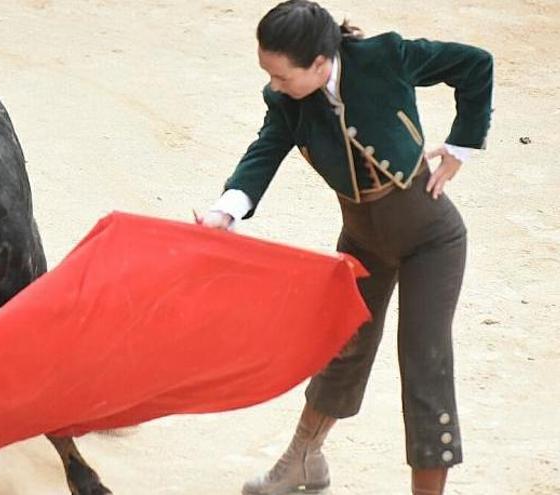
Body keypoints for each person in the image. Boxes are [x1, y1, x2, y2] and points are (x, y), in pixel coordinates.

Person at [198, 1, 493, 494]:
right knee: (342, 346)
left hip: (430, 241)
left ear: (319, 63)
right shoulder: (290, 102)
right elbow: (265, 152)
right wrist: (224, 211)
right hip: (363, 241)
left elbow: (474, 63)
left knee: (425, 364)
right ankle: (302, 462)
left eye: (281, 75)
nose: (274, 84)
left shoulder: (386, 56)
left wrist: (462, 144)